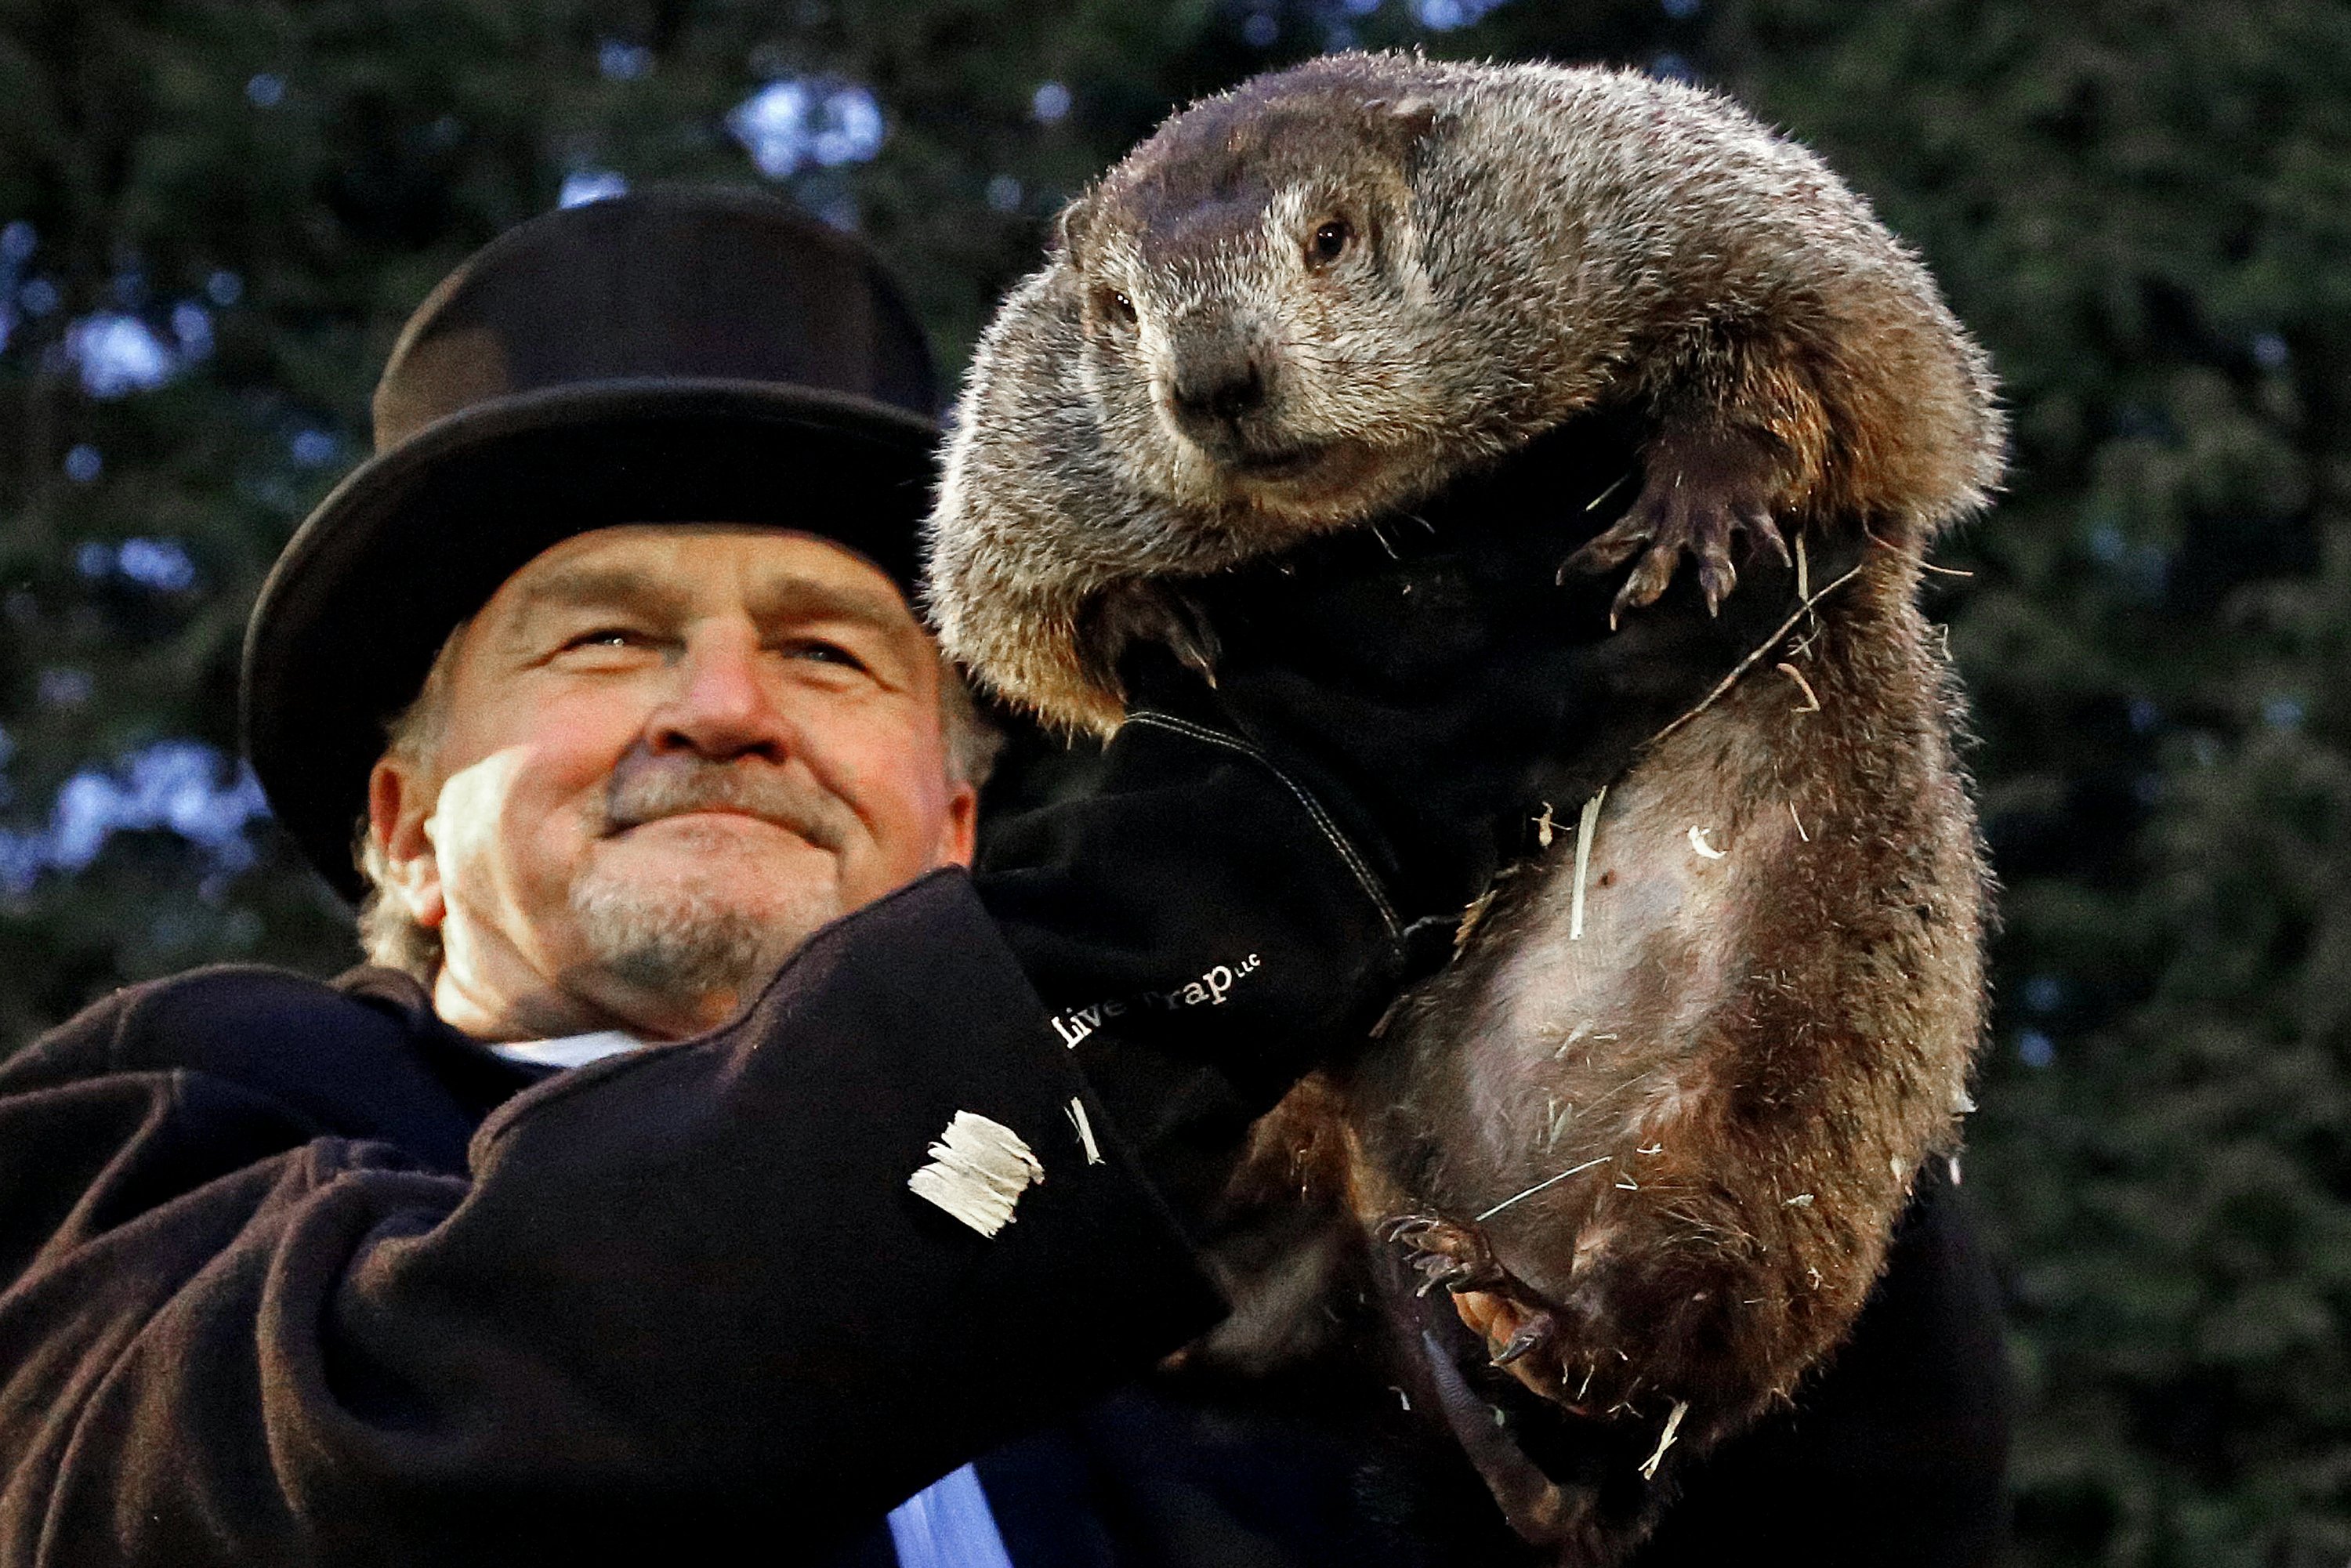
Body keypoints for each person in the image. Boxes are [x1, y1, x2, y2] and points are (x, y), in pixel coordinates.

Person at [0, 190, 2006, 1567]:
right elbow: (309, 1476)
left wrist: (1695, 898)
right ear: (398, 825)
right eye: (601, 639)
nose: (724, 706)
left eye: (829, 648)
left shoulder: (1229, 1270)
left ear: (956, 820)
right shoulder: (173, 1135)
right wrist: (1218, 899)